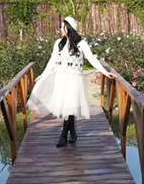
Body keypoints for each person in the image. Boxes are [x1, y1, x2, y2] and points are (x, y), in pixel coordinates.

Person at [27, 16, 115, 147]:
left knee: (70, 106)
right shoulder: (58, 43)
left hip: (74, 79)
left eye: (63, 27)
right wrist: (43, 74)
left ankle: (63, 135)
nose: (60, 29)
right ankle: (72, 132)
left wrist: (104, 72)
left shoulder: (82, 44)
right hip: (61, 78)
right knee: (68, 106)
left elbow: (91, 58)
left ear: (70, 28)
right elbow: (52, 60)